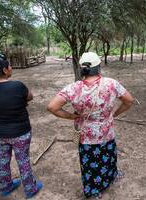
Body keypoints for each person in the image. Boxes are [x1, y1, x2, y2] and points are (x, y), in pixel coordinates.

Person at [47, 52, 134, 199]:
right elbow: (129, 101)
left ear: (82, 69)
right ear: (98, 67)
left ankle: (93, 191)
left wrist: (72, 116)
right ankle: (111, 177)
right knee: (109, 156)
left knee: (89, 163)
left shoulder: (73, 88)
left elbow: (52, 107)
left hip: (86, 134)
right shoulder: (112, 84)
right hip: (107, 132)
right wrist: (114, 114)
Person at [0, 54, 42, 198]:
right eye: (9, 66)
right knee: (23, 160)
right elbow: (30, 97)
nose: (11, 68)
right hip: (20, 133)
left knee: (2, 159)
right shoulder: (17, 86)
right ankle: (30, 189)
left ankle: (5, 186)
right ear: (5, 70)